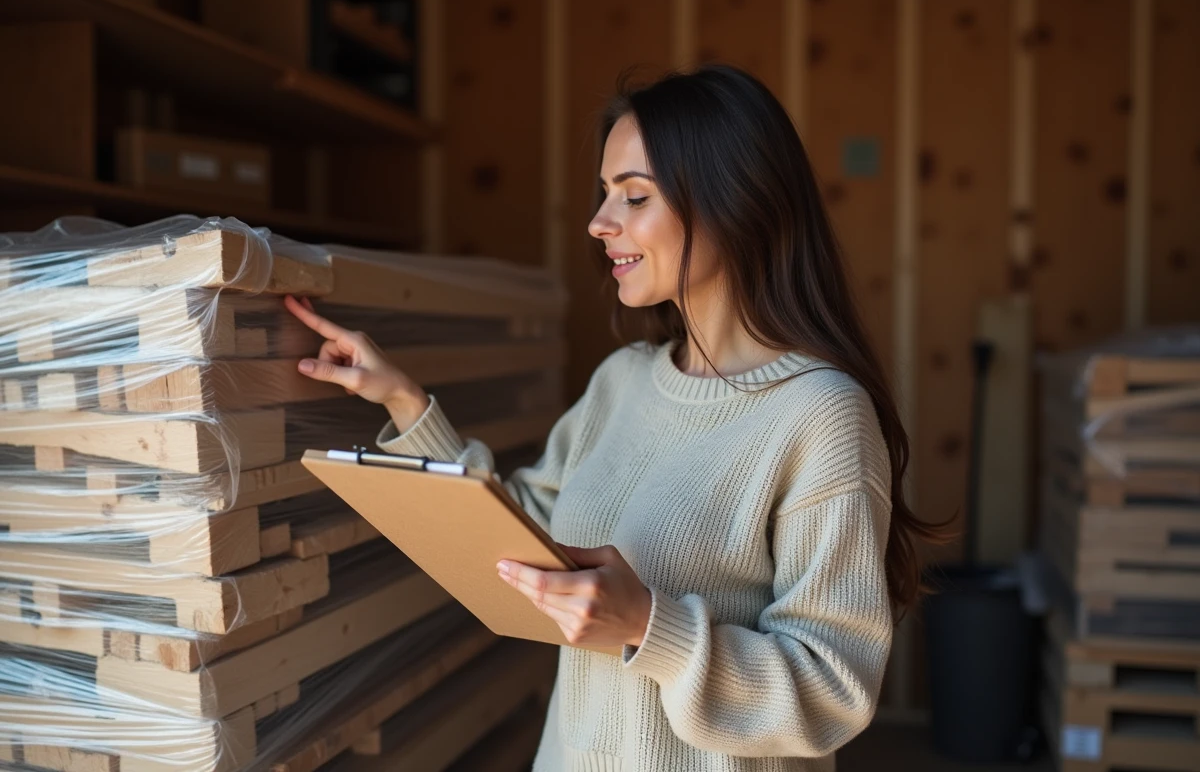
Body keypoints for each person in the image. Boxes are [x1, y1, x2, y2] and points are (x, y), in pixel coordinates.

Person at [284, 65, 948, 772]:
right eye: (605, 195)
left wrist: (649, 625)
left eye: (634, 197)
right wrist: (407, 405)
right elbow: (523, 549)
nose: (601, 224)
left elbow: (832, 692)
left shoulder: (820, 417)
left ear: (737, 203)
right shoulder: (621, 384)